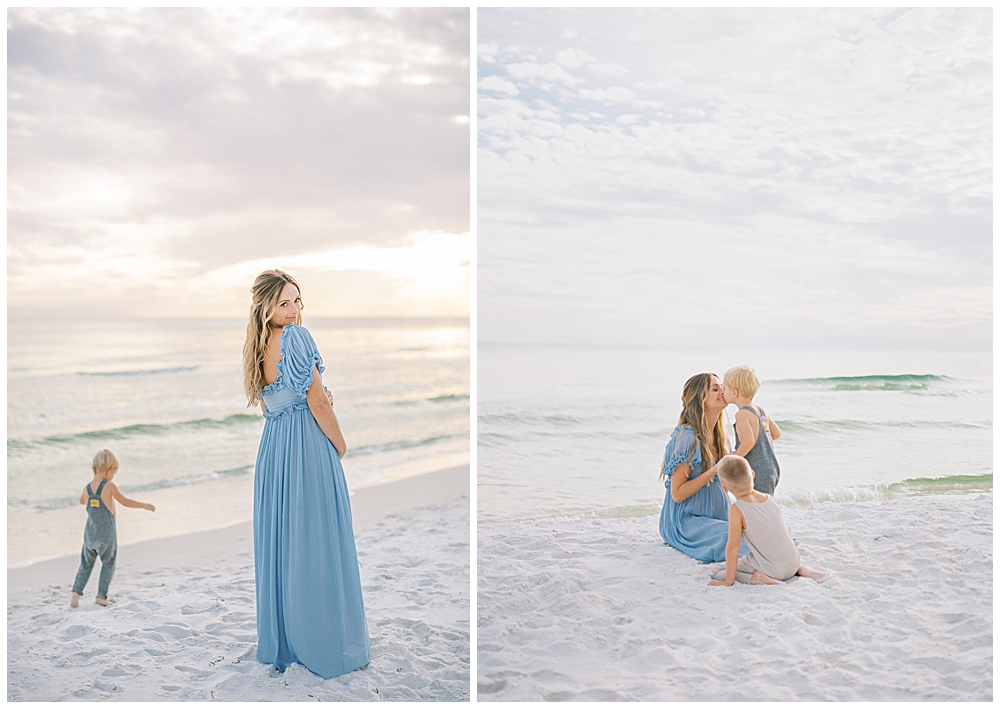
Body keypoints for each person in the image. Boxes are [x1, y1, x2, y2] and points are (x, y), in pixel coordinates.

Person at [243, 269, 370, 679]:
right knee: (317, 539)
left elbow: (272, 405)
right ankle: (324, 644)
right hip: (305, 446)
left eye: (297, 301)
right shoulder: (298, 338)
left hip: (274, 449)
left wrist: (311, 396)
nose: (294, 310)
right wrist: (340, 443)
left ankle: (286, 643)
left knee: (284, 543)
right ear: (266, 307)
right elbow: (316, 401)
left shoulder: (257, 345)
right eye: (284, 303)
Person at [659, 373, 748, 564]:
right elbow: (678, 494)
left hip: (716, 517)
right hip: (686, 522)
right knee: (738, 540)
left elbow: (725, 485)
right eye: (715, 389)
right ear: (700, 399)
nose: (722, 391)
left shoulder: (721, 437)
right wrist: (716, 469)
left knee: (762, 532)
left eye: (722, 387)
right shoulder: (687, 437)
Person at [708, 455, 823, 586]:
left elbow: (733, 548)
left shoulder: (736, 509)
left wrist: (728, 582)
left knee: (717, 571)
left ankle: (757, 578)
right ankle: (801, 570)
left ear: (725, 489)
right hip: (794, 562)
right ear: (752, 474)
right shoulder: (769, 499)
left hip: (771, 570)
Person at [70, 449, 155, 607]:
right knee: (108, 563)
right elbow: (125, 501)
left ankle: (76, 592)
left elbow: (82, 501)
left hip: (89, 535)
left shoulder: (87, 487)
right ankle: (101, 596)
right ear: (109, 472)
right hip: (106, 537)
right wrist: (144, 505)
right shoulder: (109, 486)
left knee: (86, 564)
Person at [723, 365, 782, 494]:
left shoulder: (742, 414)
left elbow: (748, 443)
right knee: (764, 502)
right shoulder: (760, 410)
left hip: (757, 470)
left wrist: (733, 459)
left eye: (724, 388)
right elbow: (776, 433)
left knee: (755, 505)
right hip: (771, 467)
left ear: (734, 392)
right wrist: (761, 443)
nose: (722, 392)